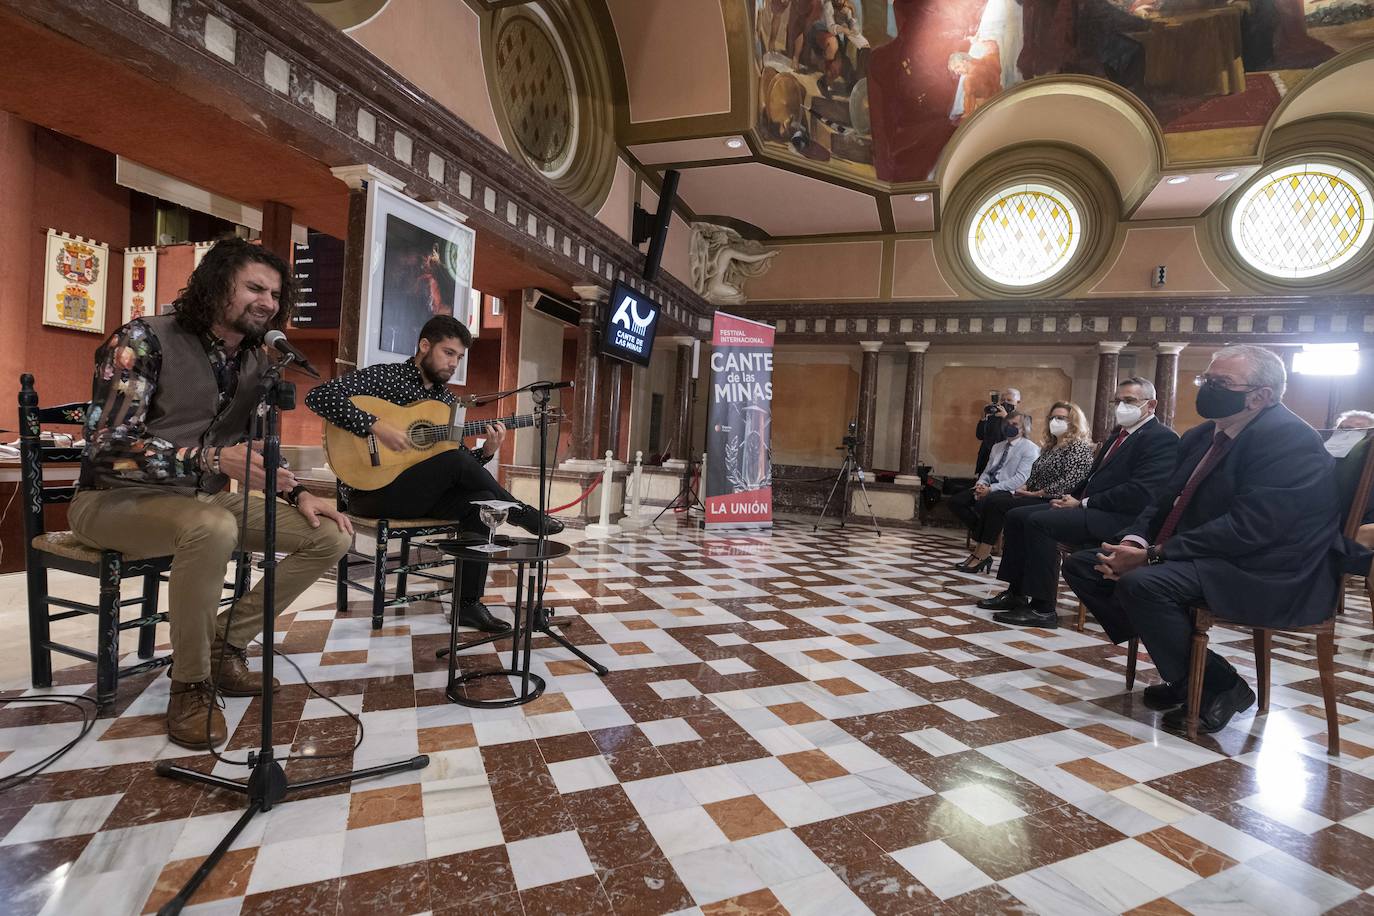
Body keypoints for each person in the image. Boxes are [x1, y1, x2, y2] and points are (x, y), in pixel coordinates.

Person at [68, 238, 354, 749]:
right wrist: (206, 460)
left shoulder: (254, 360)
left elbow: (258, 447)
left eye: (275, 293)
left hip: (200, 502)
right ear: (218, 283)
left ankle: (225, 643)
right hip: (110, 501)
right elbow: (105, 447)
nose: (268, 301)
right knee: (213, 525)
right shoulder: (142, 339)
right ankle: (191, 684)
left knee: (331, 535)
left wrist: (299, 494)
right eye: (254, 287)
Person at [1064, 346, 1347, 733]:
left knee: (1143, 584)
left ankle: (1220, 685)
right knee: (1085, 564)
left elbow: (1251, 527)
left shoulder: (1288, 439)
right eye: (1206, 380)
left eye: (1221, 383)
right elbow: (1162, 501)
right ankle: (1185, 675)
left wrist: (1154, 557)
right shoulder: (1201, 436)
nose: (1208, 388)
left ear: (1260, 395)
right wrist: (1135, 542)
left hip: (1270, 565)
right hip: (1216, 553)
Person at [305, 314, 563, 634]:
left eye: (459, 357)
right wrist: (375, 425)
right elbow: (317, 396)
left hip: (418, 496)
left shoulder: (447, 402)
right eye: (448, 353)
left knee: (481, 500)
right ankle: (520, 512)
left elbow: (457, 466)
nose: (454, 363)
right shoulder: (386, 377)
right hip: (369, 493)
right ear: (424, 346)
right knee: (455, 461)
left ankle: (468, 606)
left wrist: (487, 452)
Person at [979, 377, 1178, 628]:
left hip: (1122, 517)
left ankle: (1042, 608)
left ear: (1151, 405)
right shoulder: (1119, 434)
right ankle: (1016, 593)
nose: (1121, 407)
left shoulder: (1161, 438)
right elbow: (1092, 477)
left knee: (1039, 522)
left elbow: (1141, 491)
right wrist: (1071, 498)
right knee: (1017, 515)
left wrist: (1083, 503)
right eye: (1117, 401)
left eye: (1129, 401)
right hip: (1093, 507)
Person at [951, 402, 1094, 573]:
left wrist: (1036, 493)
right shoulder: (1050, 447)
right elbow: (1032, 475)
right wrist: (1023, 488)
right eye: (1052, 418)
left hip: (1053, 499)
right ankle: (981, 553)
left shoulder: (1078, 448)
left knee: (997, 503)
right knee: (992, 502)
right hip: (1031, 493)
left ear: (1074, 421)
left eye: (1061, 418)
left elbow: (1069, 482)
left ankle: (983, 554)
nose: (1055, 421)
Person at [947, 411, 1039, 570]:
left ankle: (981, 552)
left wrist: (991, 489)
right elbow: (987, 471)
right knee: (956, 501)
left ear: (1023, 429)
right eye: (1008, 424)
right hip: (988, 486)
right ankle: (983, 542)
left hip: (1008, 490)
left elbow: (1020, 479)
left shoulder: (1030, 449)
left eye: (1015, 425)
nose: (1010, 427)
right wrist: (981, 484)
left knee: (990, 504)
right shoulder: (997, 446)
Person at [975, 386, 1022, 474]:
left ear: (1018, 402)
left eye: (1009, 400)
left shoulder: (1023, 419)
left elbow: (1017, 437)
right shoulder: (993, 416)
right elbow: (980, 436)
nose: (1005, 403)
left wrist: (1006, 417)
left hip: (1006, 464)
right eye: (1003, 400)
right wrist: (983, 419)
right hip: (986, 460)